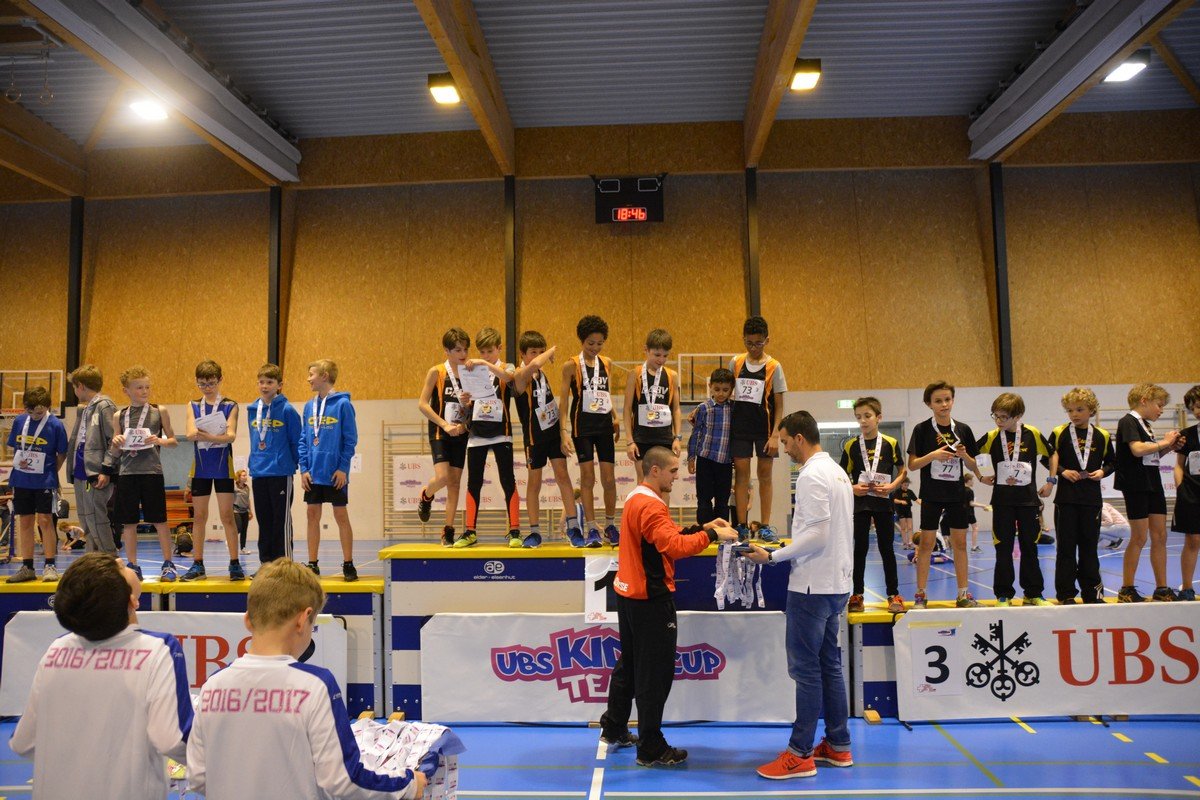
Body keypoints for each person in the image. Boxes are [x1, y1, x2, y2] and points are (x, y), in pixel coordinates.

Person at [186, 559, 426, 800]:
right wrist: (408, 784)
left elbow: (198, 776)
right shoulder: (315, 685)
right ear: (303, 620)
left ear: (248, 619)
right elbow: (344, 780)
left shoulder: (213, 685)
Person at [11, 552, 192, 799]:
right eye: (119, 569)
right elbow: (174, 740)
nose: (119, 560)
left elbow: (23, 742)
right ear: (132, 601)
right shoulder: (159, 649)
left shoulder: (57, 649)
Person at [599, 447, 737, 767]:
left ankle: (614, 725)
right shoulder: (651, 505)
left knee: (630, 665)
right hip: (650, 599)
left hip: (630, 595)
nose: (678, 476)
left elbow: (662, 538)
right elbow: (673, 547)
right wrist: (711, 535)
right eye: (673, 471)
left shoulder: (637, 497)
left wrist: (703, 528)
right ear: (655, 470)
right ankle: (650, 747)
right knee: (654, 675)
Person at [745, 410, 854, 780]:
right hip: (836, 585)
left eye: (786, 441)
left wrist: (773, 556)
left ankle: (800, 753)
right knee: (829, 667)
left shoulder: (810, 475)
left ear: (800, 438)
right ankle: (838, 745)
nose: (784, 449)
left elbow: (817, 536)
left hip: (812, 587)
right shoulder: (838, 472)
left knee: (806, 671)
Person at [906, 380, 981, 609]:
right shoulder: (921, 429)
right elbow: (912, 465)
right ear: (929, 404)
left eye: (947, 399)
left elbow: (973, 465)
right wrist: (933, 455)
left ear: (953, 400)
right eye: (938, 401)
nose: (944, 404)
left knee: (960, 543)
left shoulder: (963, 430)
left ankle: (963, 594)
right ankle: (921, 594)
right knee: (926, 544)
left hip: (957, 495)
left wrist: (965, 456)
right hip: (931, 494)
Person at [976, 392, 1053, 606]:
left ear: (1017, 416)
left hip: (1028, 502)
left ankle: (1033, 594)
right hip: (1002, 503)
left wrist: (1050, 481)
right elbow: (969, 453)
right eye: (996, 416)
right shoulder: (992, 436)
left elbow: (1052, 454)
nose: (999, 421)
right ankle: (1004, 595)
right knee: (1003, 549)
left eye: (1004, 417)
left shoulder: (1032, 434)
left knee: (1030, 548)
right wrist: (980, 476)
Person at [1046, 387, 1116, 604]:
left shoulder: (1102, 435)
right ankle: (1066, 593)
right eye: (1070, 410)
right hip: (1066, 500)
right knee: (1066, 549)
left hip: (1091, 500)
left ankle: (1092, 592)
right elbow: (1046, 458)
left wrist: (1102, 472)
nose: (1074, 414)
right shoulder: (1059, 432)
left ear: (1091, 410)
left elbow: (1113, 462)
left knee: (1089, 549)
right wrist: (1062, 471)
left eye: (1079, 409)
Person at [1114, 383, 1183, 602]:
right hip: (1136, 485)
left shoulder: (1145, 425)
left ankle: (1161, 588)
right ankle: (1126, 588)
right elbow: (1137, 450)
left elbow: (1150, 455)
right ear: (1144, 401)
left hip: (1153, 483)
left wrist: (1169, 447)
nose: (1161, 410)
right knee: (1139, 536)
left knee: (1160, 535)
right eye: (1159, 405)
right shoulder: (1128, 421)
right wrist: (1165, 441)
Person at [109, 366, 179, 581]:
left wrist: (159, 440)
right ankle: (132, 565)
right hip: (127, 473)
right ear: (126, 391)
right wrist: (116, 442)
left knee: (160, 520)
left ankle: (168, 564)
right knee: (129, 523)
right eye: (139, 387)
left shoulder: (159, 411)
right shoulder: (119, 415)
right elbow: (115, 451)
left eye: (147, 387)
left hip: (152, 472)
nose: (145, 391)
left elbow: (173, 441)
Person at [839, 397, 905, 613]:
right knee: (860, 549)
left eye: (867, 416)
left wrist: (892, 486)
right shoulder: (851, 445)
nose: (863, 421)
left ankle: (893, 594)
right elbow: (840, 476)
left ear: (879, 417)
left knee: (887, 549)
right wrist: (852, 487)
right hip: (860, 504)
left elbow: (903, 470)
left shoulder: (890, 443)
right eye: (858, 417)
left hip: (883, 503)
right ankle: (857, 594)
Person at [457, 327, 521, 548]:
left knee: (507, 480)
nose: (485, 356)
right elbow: (469, 405)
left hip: (501, 433)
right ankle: (470, 531)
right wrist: (465, 401)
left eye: (490, 351)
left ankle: (514, 530)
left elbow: (510, 378)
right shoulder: (473, 370)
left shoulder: (506, 367)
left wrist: (484, 365)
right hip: (477, 433)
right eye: (482, 352)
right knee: (474, 482)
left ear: (499, 348)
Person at [181, 360, 243, 582]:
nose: (207, 388)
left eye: (211, 383)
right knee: (199, 517)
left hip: (223, 468)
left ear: (220, 380)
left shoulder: (230, 405)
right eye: (202, 384)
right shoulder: (192, 405)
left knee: (227, 516)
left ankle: (234, 563)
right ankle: (198, 564)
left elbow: (231, 436)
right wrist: (217, 435)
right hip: (201, 468)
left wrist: (206, 435)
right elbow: (190, 434)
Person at [561, 315, 620, 547]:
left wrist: (615, 416)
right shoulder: (571, 365)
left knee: (609, 478)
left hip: (604, 425)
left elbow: (604, 393)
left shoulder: (607, 363)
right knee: (588, 477)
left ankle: (610, 525)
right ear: (582, 340)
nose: (595, 348)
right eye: (590, 343)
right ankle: (592, 527)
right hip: (582, 427)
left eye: (600, 343)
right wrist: (563, 431)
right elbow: (564, 401)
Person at [511, 331, 572, 548]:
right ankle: (535, 531)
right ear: (522, 354)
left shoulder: (542, 375)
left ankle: (573, 527)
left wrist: (563, 433)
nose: (537, 356)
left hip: (552, 434)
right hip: (534, 438)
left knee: (563, 475)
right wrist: (550, 351)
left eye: (540, 351)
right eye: (533, 352)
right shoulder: (519, 376)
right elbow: (535, 364)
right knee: (534, 482)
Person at [300, 359, 359, 581]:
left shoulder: (343, 404)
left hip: (335, 473)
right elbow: (303, 439)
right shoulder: (309, 407)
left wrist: (343, 468)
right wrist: (304, 469)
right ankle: (313, 564)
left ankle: (348, 563)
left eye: (311, 374)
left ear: (324, 376)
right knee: (311, 515)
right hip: (313, 473)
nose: (308, 379)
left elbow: (350, 439)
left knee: (340, 515)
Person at [730, 316, 786, 542]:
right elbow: (727, 395)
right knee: (742, 476)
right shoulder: (736, 362)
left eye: (758, 343)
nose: (753, 348)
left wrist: (775, 435)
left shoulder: (774, 366)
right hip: (740, 429)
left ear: (767, 340)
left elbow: (779, 405)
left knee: (765, 476)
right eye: (749, 343)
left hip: (765, 430)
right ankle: (742, 525)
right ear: (743, 339)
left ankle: (764, 526)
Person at [5, 388, 68, 583]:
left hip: (44, 481)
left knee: (45, 520)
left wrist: (51, 473)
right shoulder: (19, 421)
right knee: (25, 522)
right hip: (21, 480)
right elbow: (14, 447)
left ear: (48, 407)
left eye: (39, 413)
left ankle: (50, 565)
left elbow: (62, 453)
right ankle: (27, 567)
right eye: (30, 412)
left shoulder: (55, 425)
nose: (34, 416)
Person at [416, 329, 472, 547]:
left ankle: (448, 530)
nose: (463, 354)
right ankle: (426, 495)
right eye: (458, 350)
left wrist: (467, 414)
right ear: (447, 351)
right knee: (443, 477)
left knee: (455, 483)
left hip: (461, 432)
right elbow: (422, 404)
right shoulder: (437, 372)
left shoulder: (471, 373)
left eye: (466, 349)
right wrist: (444, 424)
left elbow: (476, 405)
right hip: (441, 431)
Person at [247, 363, 302, 562]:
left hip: (280, 473)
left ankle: (284, 564)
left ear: (279, 385)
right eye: (261, 382)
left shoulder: (287, 410)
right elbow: (255, 440)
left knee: (281, 521)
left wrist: (289, 464)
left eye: (269, 382)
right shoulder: (253, 409)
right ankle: (266, 565)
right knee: (264, 521)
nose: (264, 386)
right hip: (259, 472)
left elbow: (297, 441)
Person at [65, 365, 119, 554]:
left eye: (74, 387)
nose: (74, 391)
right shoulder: (86, 409)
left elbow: (115, 440)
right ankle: (93, 559)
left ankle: (109, 558)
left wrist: (106, 469)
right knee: (85, 519)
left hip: (96, 472)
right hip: (80, 471)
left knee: (96, 517)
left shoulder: (105, 406)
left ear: (80, 386)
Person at [625, 329, 682, 496]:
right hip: (641, 438)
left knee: (664, 484)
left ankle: (662, 514)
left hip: (664, 438)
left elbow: (676, 409)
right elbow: (627, 409)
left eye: (665, 356)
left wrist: (677, 438)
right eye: (657, 355)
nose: (661, 359)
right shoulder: (635, 374)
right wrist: (629, 441)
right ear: (646, 350)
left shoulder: (672, 376)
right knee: (643, 481)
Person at [687, 368, 735, 527]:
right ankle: (705, 530)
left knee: (723, 500)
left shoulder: (734, 408)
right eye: (717, 389)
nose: (721, 393)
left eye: (725, 390)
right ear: (710, 387)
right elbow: (696, 433)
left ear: (731, 390)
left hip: (725, 462)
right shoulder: (703, 408)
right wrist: (691, 457)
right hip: (705, 459)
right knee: (704, 498)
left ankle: (722, 531)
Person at [1172, 384, 1200, 601]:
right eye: (1194, 407)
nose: (1197, 411)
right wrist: (1181, 488)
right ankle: (1187, 588)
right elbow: (1179, 465)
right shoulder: (1186, 435)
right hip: (1191, 494)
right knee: (1192, 541)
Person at [891, 478, 918, 550]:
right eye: (905, 485)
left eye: (907, 485)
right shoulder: (897, 491)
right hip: (900, 510)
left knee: (910, 527)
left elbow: (916, 499)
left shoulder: (910, 492)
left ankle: (910, 542)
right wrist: (901, 501)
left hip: (908, 510)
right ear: (901, 484)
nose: (906, 486)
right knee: (903, 528)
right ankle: (905, 543)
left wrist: (923, 503)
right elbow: (894, 500)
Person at [234, 469, 252, 554]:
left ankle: (243, 548)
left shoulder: (247, 487)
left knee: (244, 530)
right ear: (239, 477)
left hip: (245, 510)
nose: (245, 477)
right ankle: (230, 539)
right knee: (239, 527)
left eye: (245, 475)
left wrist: (250, 511)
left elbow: (248, 500)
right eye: (243, 475)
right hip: (236, 510)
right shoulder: (234, 487)